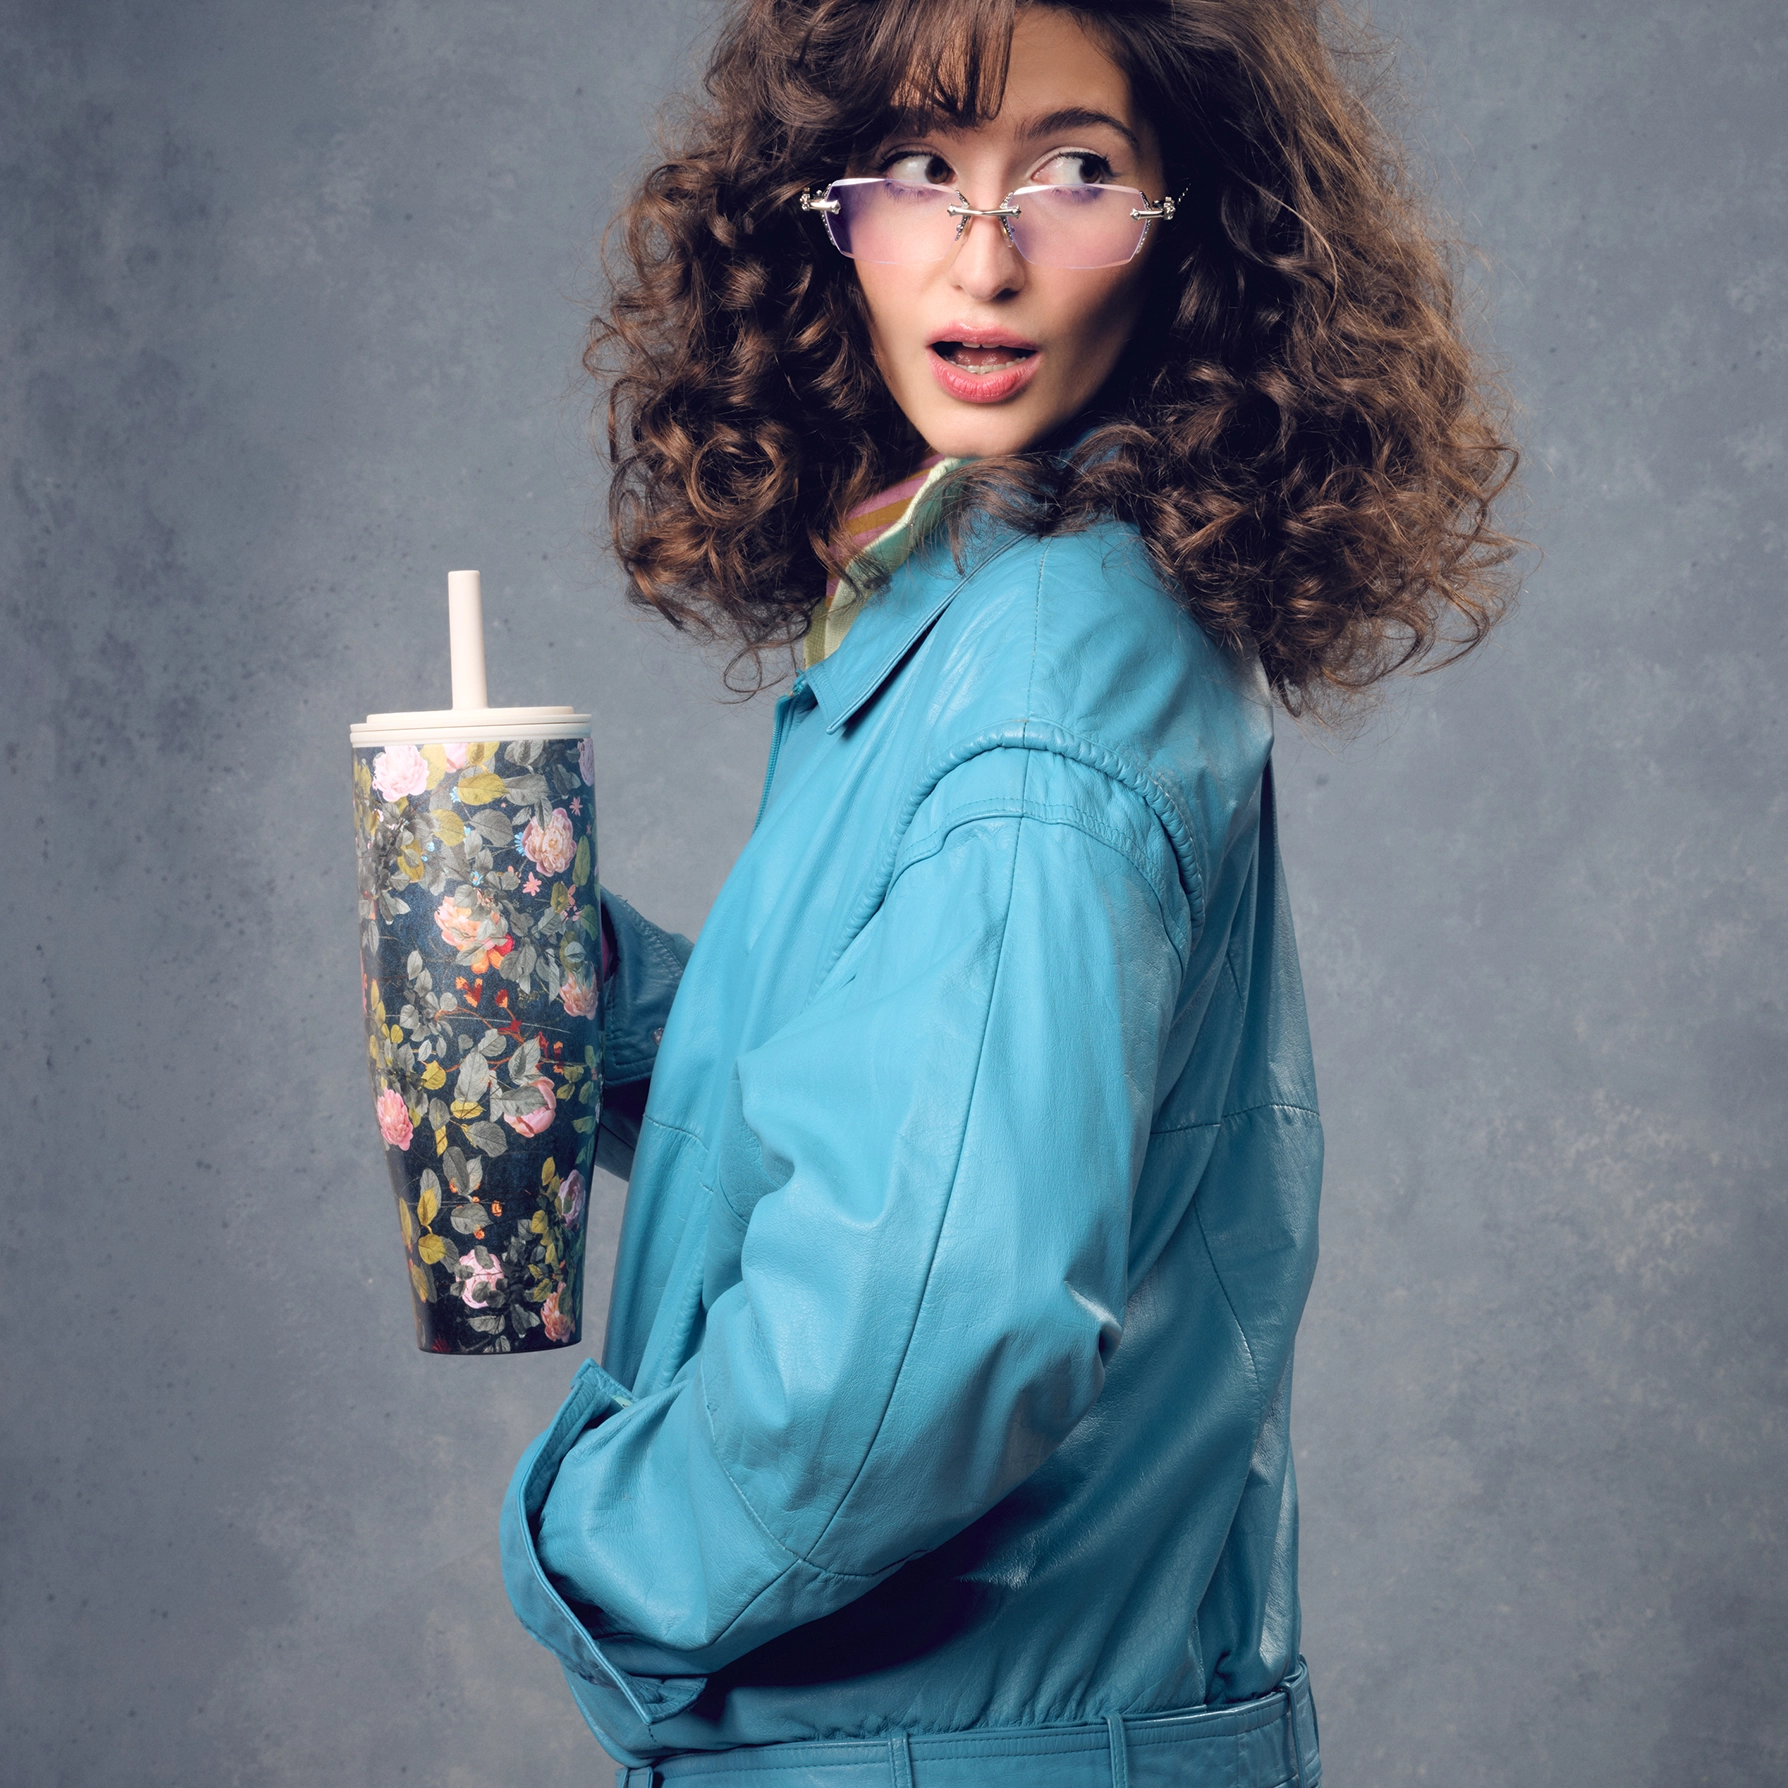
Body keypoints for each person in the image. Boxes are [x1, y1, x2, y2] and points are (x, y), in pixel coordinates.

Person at [501, 1, 1516, 1782]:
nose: (986, 253)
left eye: (1074, 171)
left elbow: (941, 1325)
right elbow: (907, 1108)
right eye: (918, 168)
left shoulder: (1042, 679)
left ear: (1197, 225)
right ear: (822, 214)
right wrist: (558, 988)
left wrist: (592, 1534)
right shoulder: (1002, 608)